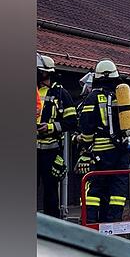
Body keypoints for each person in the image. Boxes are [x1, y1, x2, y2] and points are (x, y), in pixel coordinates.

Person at [75, 60, 130, 223]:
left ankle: (91, 221)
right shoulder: (122, 96)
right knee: (117, 186)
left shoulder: (93, 97)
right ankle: (113, 220)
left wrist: (84, 142)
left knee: (96, 186)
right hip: (122, 150)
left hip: (101, 151)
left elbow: (86, 125)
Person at [36, 53, 78, 219]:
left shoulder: (61, 94)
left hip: (51, 151)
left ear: (43, 72)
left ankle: (51, 226)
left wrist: (51, 127)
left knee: (50, 191)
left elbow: (72, 122)